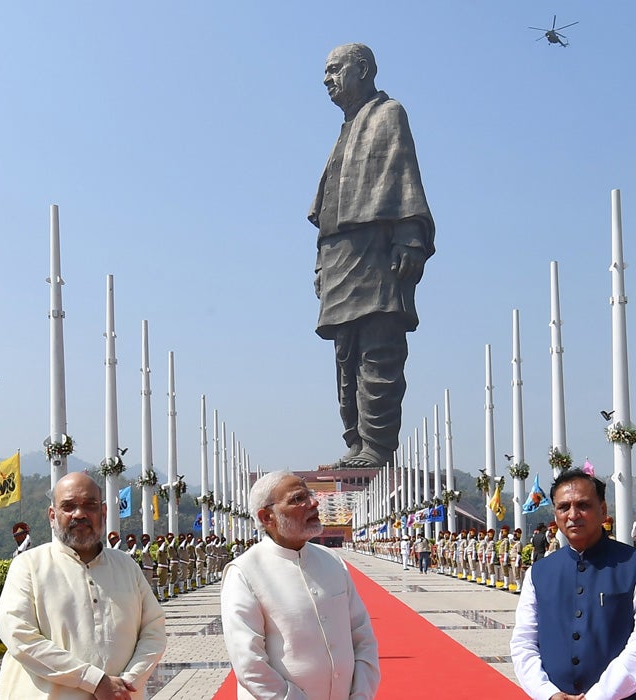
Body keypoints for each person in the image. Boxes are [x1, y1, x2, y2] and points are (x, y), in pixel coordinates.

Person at [309, 42, 436, 469]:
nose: (326, 80)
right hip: (340, 255)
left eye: (333, 70)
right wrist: (321, 262)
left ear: (361, 69)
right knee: (345, 355)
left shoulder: (388, 113)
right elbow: (328, 204)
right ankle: (356, 441)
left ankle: (378, 448)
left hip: (377, 252)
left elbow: (401, 176)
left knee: (379, 350)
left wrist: (409, 237)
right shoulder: (345, 128)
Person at [0, 472, 166, 699]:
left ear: (103, 512)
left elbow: (154, 629)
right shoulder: (28, 566)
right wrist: (95, 682)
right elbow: (19, 636)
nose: (79, 514)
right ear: (52, 515)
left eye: (90, 505)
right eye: (68, 506)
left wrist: (128, 682)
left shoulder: (125, 565)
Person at [220, 472, 380, 700]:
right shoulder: (244, 572)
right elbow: (249, 664)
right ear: (267, 517)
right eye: (298, 499)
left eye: (310, 495)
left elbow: (362, 636)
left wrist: (361, 694)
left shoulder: (332, 562)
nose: (313, 503)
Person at [510, 468, 636, 700]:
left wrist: (600, 695)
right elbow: (523, 642)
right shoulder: (538, 573)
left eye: (583, 505)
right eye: (563, 507)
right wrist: (548, 693)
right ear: (555, 514)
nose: (573, 514)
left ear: (603, 510)